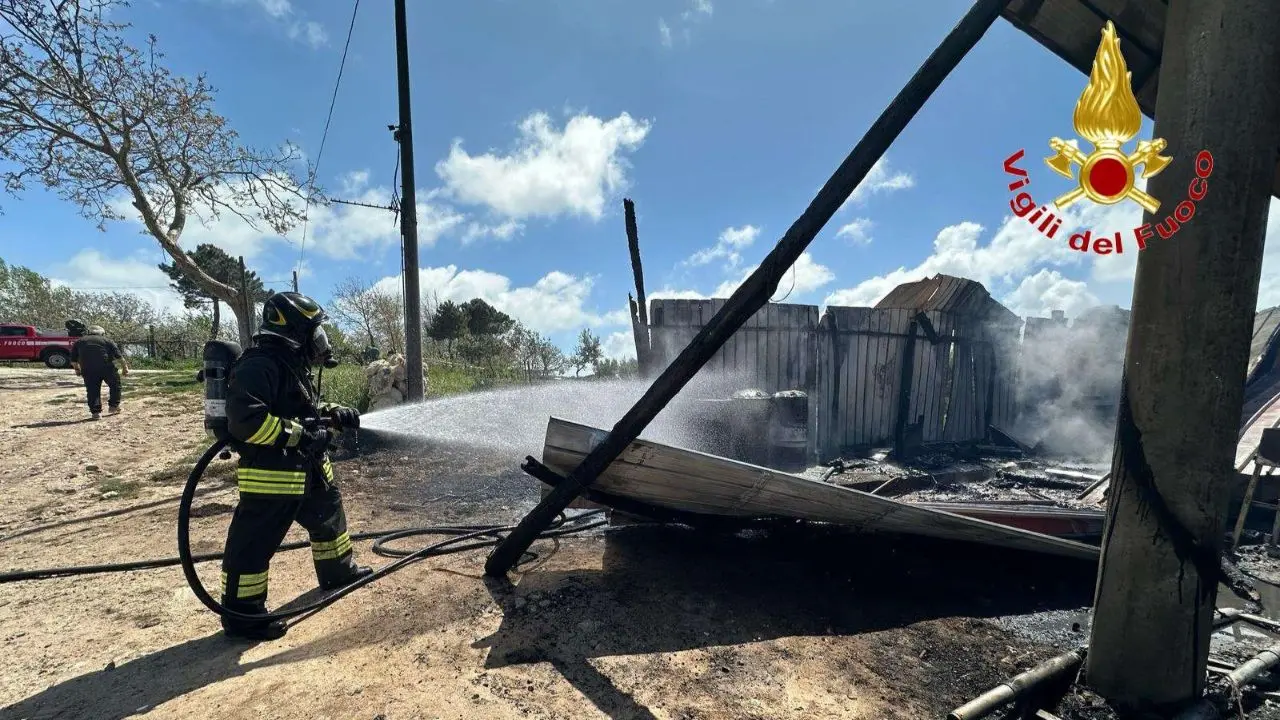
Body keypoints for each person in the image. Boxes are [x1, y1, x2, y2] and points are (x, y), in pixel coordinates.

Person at [220, 291, 372, 641]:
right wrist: (299, 436)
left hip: (309, 470)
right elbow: (245, 421)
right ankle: (243, 615)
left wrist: (334, 412)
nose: (321, 340)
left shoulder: (289, 363)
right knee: (253, 545)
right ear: (293, 331)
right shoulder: (258, 364)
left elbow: (300, 407)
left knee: (330, 519)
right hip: (274, 477)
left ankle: (339, 572)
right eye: (315, 331)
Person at [70, 325, 129, 420]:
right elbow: (119, 356)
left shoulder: (79, 341)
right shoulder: (107, 340)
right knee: (115, 385)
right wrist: (125, 368)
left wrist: (77, 370)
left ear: (89, 332)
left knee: (92, 390)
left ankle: (96, 413)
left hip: (88, 369)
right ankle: (114, 406)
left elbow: (73, 360)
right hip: (107, 368)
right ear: (102, 333)